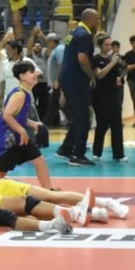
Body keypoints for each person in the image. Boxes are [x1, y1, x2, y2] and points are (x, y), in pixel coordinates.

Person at [0, 61, 52, 187]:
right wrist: (22, 131)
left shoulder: (26, 93)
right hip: (8, 139)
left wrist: (33, 124)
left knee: (39, 160)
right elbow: (7, 115)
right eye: (31, 72)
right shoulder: (20, 94)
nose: (35, 74)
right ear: (22, 76)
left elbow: (19, 117)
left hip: (20, 138)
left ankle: (49, 191)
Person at [58, 9, 101, 166]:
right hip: (76, 80)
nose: (98, 23)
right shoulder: (84, 35)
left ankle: (65, 149)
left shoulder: (74, 32)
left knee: (78, 116)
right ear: (90, 19)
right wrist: (91, 76)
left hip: (68, 78)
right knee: (84, 117)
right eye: (97, 20)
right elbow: (82, 58)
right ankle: (78, 154)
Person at [91, 34, 126, 161]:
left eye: (110, 45)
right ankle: (97, 152)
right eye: (106, 45)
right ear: (100, 45)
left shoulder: (114, 59)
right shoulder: (96, 59)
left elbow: (123, 69)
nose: (109, 47)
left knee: (117, 125)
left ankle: (119, 154)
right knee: (102, 124)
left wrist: (120, 75)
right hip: (100, 96)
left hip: (114, 95)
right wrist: (111, 63)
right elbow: (99, 75)